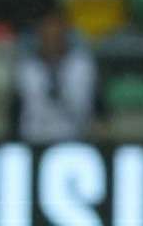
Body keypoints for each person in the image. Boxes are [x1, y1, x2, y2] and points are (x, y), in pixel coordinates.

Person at [10, 8, 97, 143]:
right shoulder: (26, 67)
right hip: (33, 138)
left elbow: (95, 105)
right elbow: (16, 108)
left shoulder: (81, 65)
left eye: (56, 35)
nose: (52, 40)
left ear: (65, 34)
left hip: (74, 137)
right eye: (47, 35)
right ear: (39, 35)